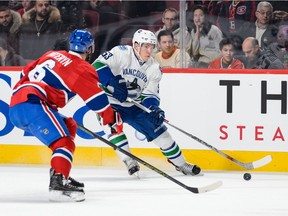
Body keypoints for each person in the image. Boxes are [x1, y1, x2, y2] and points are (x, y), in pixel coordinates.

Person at [9, 29, 121, 202]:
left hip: (18, 104)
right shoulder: (81, 67)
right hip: (33, 104)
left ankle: (59, 173)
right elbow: (98, 102)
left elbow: (24, 73)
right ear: (90, 49)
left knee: (69, 126)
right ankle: (58, 183)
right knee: (64, 141)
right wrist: (111, 121)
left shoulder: (52, 54)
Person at [92, 29, 201, 177]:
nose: (149, 50)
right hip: (110, 101)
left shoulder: (154, 68)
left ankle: (181, 164)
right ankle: (129, 161)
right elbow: (97, 66)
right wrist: (112, 82)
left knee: (161, 133)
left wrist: (154, 108)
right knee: (112, 124)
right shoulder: (121, 52)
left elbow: (150, 94)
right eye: (146, 46)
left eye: (152, 46)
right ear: (136, 45)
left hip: (135, 105)